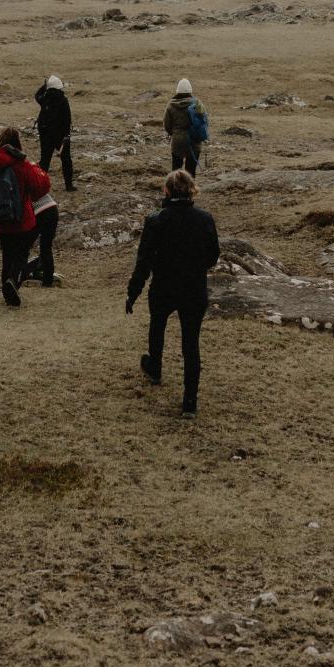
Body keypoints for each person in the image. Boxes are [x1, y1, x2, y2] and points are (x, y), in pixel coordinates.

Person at [125, 169, 220, 417]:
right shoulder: (205, 219)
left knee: (157, 324)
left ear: (166, 191)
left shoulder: (156, 220)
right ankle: (190, 400)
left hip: (164, 285)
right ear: (192, 191)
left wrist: (133, 292)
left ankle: (155, 366)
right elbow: (213, 256)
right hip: (194, 287)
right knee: (191, 343)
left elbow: (143, 261)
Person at [0, 126, 50, 307]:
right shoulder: (22, 164)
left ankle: (7, 288)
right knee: (20, 255)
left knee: (7, 254)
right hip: (22, 218)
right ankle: (12, 283)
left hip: (0, 218)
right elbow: (39, 189)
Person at [33, 75, 76, 190]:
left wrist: (44, 86)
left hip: (46, 135)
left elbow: (36, 95)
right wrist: (67, 135)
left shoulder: (44, 99)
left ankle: (40, 186)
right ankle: (69, 185)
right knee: (66, 160)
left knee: (45, 161)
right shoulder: (63, 100)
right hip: (61, 136)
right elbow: (67, 119)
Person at [163, 79, 207, 176]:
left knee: (176, 169)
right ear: (190, 90)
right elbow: (204, 122)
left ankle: (175, 189)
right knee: (190, 171)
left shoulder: (170, 105)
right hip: (194, 141)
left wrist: (175, 134)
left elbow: (167, 125)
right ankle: (190, 189)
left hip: (177, 141)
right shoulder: (197, 104)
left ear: (177, 91)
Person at [23, 183, 59, 288]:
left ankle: (21, 274)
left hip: (39, 212)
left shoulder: (15, 178)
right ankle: (48, 281)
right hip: (52, 207)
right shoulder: (31, 175)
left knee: (24, 246)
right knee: (46, 247)